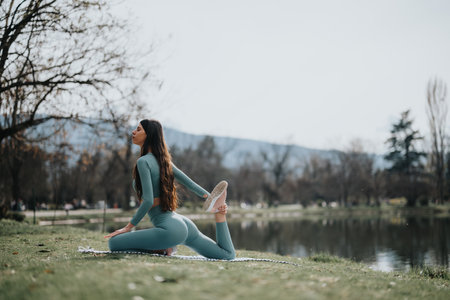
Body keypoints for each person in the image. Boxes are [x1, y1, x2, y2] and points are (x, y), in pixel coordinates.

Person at [104, 119, 236, 260]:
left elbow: (148, 200)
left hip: (170, 230)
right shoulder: (165, 162)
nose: (133, 132)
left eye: (138, 129)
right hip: (183, 223)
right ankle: (219, 217)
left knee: (114, 243)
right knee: (227, 255)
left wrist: (128, 227)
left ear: (149, 135)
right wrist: (211, 199)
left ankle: (162, 248)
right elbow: (191, 185)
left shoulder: (143, 162)